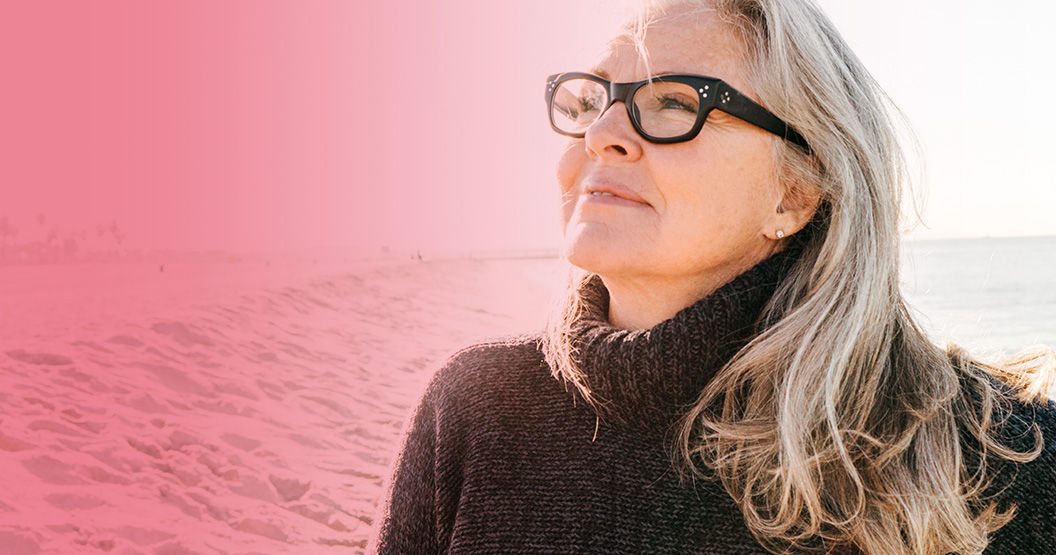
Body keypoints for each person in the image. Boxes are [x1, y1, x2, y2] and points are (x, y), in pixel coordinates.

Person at [368, 0, 1056, 552]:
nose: (603, 130)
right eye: (593, 99)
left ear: (793, 191)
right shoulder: (476, 408)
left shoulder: (1003, 453)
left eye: (672, 101)